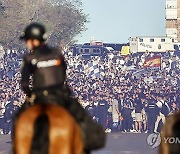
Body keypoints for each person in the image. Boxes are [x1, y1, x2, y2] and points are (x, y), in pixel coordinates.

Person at [16, 22, 106, 152]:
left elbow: (24, 83)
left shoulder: (29, 57)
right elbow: (63, 74)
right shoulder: (57, 54)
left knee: (18, 119)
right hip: (60, 96)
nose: (26, 43)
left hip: (40, 97)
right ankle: (87, 144)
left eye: (27, 40)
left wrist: (30, 94)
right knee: (82, 119)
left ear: (34, 40)